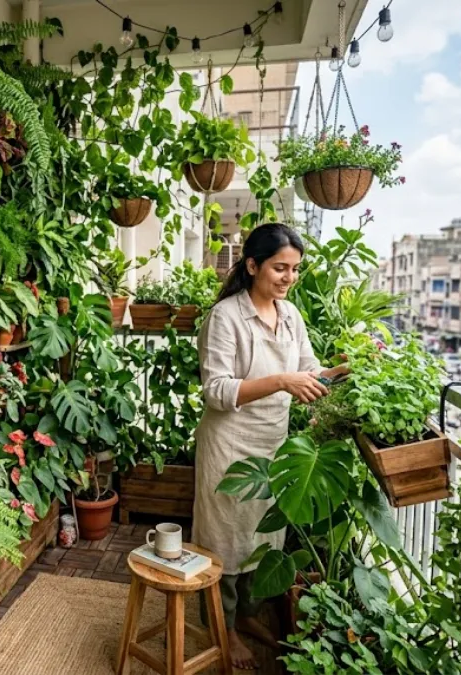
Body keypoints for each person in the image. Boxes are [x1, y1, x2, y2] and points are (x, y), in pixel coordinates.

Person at [193, 223, 349, 670]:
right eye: (280, 268)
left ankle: (243, 619)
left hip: (272, 445)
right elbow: (217, 391)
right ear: (253, 265)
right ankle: (221, 630)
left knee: (260, 538)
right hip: (229, 443)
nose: (288, 277)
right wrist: (282, 380)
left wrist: (346, 369)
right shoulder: (226, 317)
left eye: (295, 269)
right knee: (223, 542)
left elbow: (309, 371)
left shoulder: (291, 315)